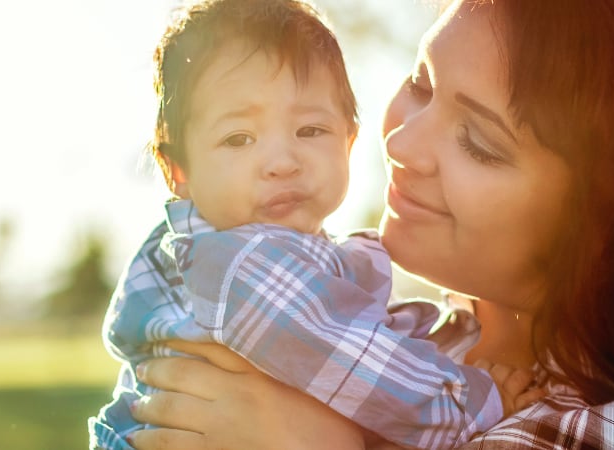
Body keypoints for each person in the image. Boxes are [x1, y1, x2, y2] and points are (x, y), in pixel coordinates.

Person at [123, 0, 614, 448]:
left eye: (480, 143)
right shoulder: (403, 341)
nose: (400, 142)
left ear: (611, 227)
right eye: (421, 83)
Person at [88, 1, 542, 449]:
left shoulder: (273, 253)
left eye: (310, 131)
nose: (282, 162)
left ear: (349, 140)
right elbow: (361, 367)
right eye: (238, 139)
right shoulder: (238, 263)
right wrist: (474, 401)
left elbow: (361, 337)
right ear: (179, 173)